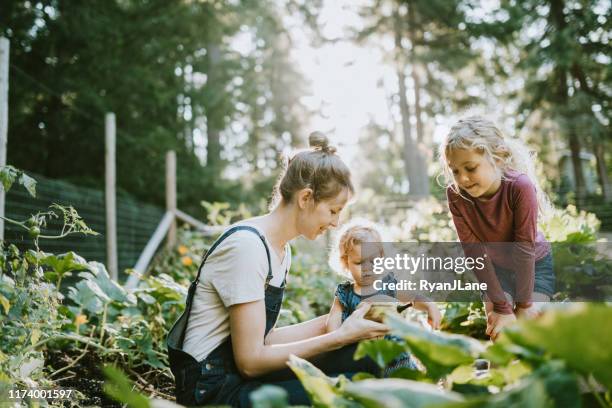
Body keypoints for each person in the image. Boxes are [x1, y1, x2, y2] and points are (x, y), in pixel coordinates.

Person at [167, 132, 389, 407]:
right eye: (333, 211)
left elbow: (264, 338)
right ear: (306, 198)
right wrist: (338, 337)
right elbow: (250, 361)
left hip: (238, 375)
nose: (336, 223)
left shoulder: (279, 249)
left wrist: (342, 320)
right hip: (213, 391)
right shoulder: (247, 247)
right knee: (355, 389)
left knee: (374, 357)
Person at [439, 116, 555, 341]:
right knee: (500, 331)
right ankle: (497, 376)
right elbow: (474, 252)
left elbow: (524, 249)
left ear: (499, 158)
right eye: (455, 171)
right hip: (496, 271)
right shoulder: (456, 195)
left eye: (470, 168)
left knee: (528, 332)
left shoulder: (520, 187)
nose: (462, 178)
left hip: (535, 266)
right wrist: (501, 308)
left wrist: (524, 304)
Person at [325, 219, 441, 375]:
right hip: (363, 359)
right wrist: (338, 339)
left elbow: (412, 297)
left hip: (396, 357)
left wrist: (429, 306)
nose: (368, 268)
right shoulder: (344, 293)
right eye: (359, 263)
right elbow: (332, 329)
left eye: (373, 261)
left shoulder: (388, 284)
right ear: (346, 263)